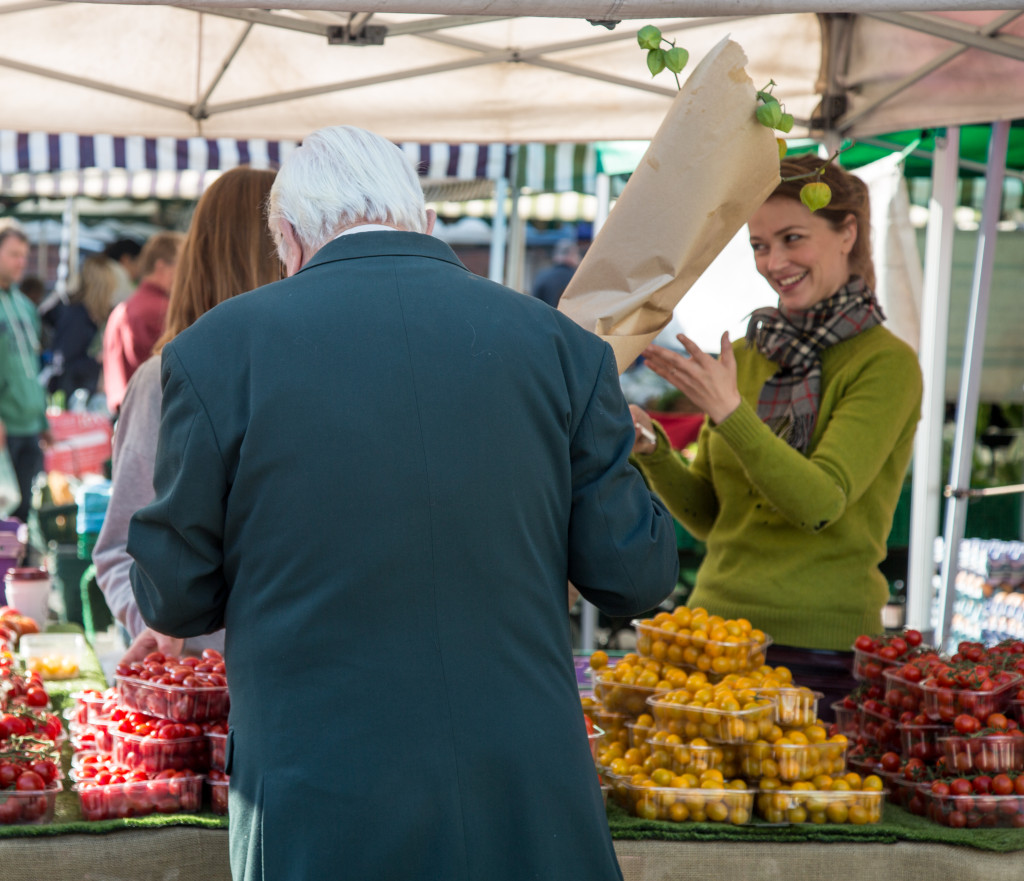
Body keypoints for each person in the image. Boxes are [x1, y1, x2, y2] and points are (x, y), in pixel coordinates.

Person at [127, 125, 678, 881]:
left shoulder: (215, 350)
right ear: (423, 221)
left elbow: (175, 593)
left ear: (289, 238)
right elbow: (636, 576)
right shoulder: (563, 348)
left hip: (319, 791)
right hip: (522, 794)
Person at [629, 155, 922, 710]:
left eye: (792, 238)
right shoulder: (742, 356)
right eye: (760, 246)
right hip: (711, 639)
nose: (774, 262)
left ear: (847, 233)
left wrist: (730, 412)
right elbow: (713, 520)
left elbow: (819, 503)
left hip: (822, 652)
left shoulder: (887, 364)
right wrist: (653, 451)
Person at [94, 168, 280, 663]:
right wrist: (159, 627)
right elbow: (119, 548)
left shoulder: (317, 379)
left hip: (291, 681)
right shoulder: (165, 381)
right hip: (201, 682)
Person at [102, 230, 184, 414]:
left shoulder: (123, 308)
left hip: (124, 415)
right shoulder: (162, 310)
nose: (187, 276)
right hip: (149, 416)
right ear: (161, 267)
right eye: (183, 267)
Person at [0, 222, 48, 525]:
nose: (21, 262)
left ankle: (19, 572)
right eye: (13, 254)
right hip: (5, 429)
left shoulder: (25, 306)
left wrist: (43, 418)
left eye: (24, 256)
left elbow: (33, 366)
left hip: (30, 425)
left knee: (25, 515)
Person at [45, 254, 118, 401]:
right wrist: (97, 360)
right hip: (71, 400)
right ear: (102, 288)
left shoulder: (96, 315)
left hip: (86, 396)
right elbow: (63, 364)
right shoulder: (76, 315)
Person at [531, 236, 580, 306]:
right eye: (577, 254)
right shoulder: (577, 278)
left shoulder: (542, 276)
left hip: (545, 316)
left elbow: (534, 302)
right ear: (572, 255)